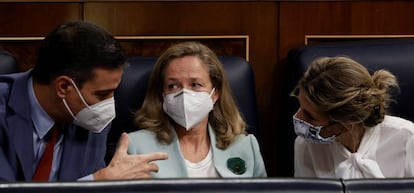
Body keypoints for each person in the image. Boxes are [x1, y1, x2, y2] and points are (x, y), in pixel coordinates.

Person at [0, 20, 167, 181]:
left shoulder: (92, 118)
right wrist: (98, 182)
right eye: (102, 94)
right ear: (64, 86)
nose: (109, 105)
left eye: (113, 92)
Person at [127, 41, 267, 178]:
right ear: (162, 94)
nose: (184, 94)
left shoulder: (245, 146)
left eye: (195, 84)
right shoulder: (136, 147)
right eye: (172, 86)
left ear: (215, 94)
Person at [292, 56, 414, 179]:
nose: (298, 117)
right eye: (300, 107)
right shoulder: (306, 145)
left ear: (346, 123)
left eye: (310, 116)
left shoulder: (408, 138)